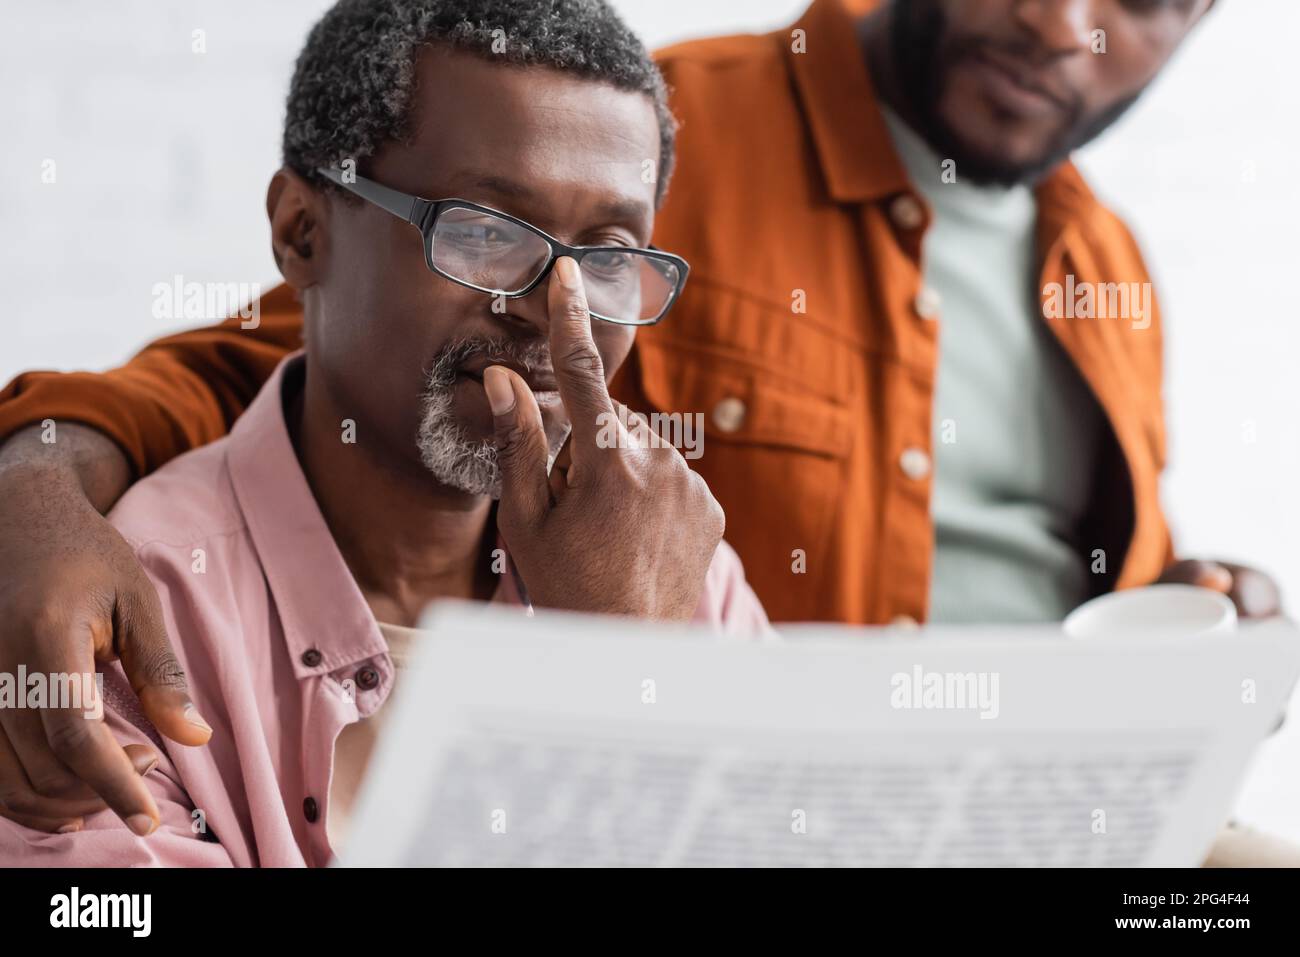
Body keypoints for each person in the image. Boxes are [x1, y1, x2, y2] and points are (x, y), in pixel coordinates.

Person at [0, 0, 1283, 856]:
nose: (1062, 25)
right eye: (494, 233)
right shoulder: (657, 126)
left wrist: (1190, 626)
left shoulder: (1104, 261)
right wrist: (36, 489)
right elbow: (292, 352)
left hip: (1009, 806)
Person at [0, 0, 766, 861]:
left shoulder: (677, 573)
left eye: (610, 256)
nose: (559, 314)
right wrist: (606, 690)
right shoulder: (118, 626)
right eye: (484, 231)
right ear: (301, 233)